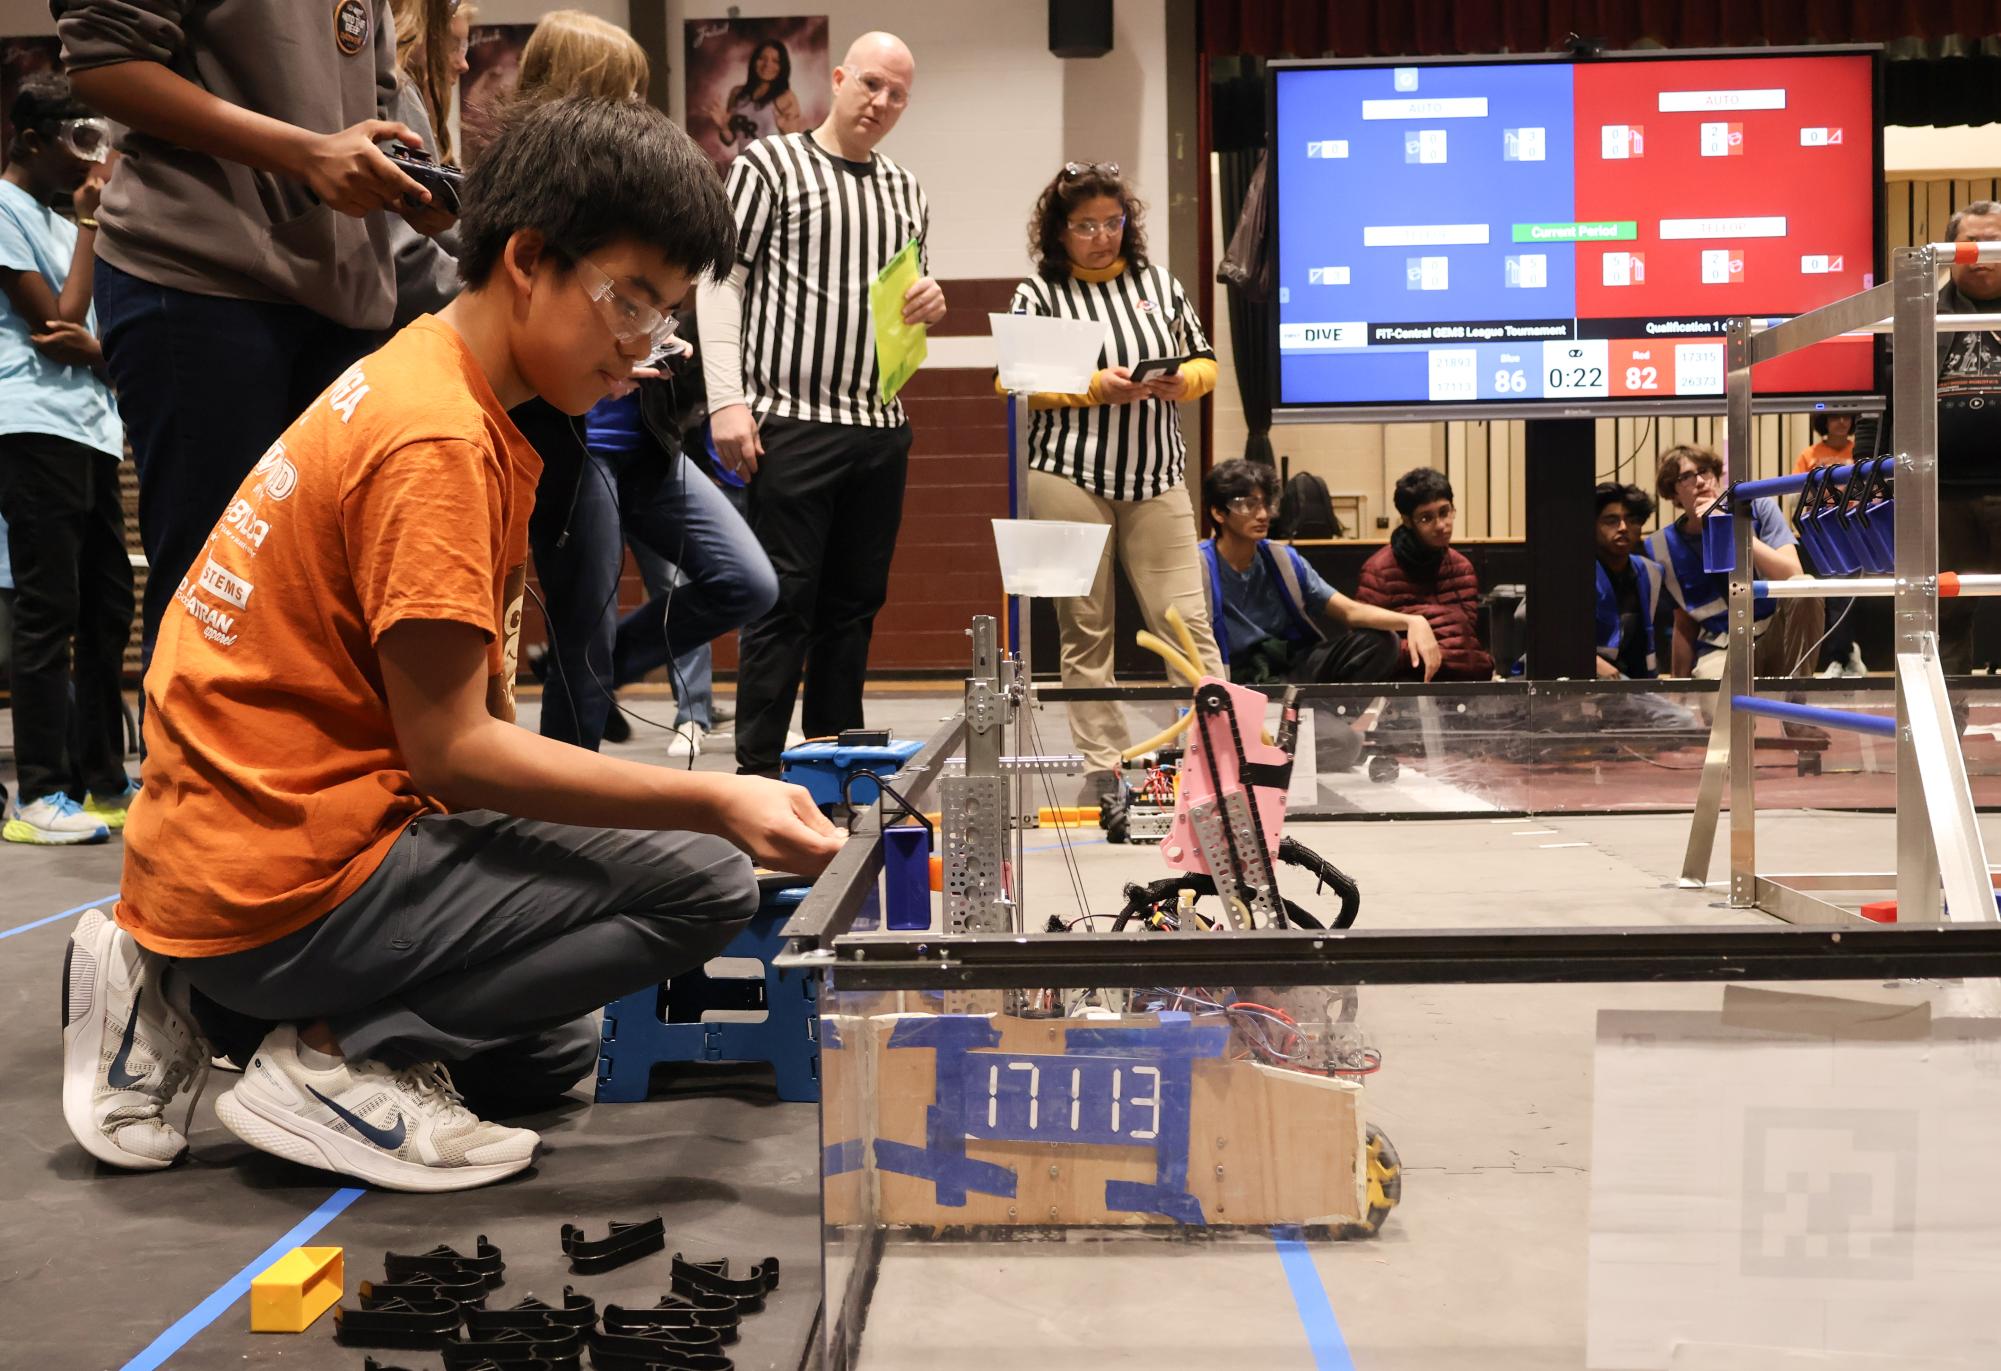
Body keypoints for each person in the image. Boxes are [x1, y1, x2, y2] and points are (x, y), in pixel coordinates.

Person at [58, 96, 843, 1190]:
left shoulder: (428, 377)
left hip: (225, 845)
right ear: (529, 260)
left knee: (549, 1050)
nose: (640, 353)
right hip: (276, 871)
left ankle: (182, 987)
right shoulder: (436, 437)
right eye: (631, 305)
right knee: (706, 884)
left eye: (662, 321)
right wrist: (716, 799)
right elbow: (453, 755)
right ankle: (326, 1062)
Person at [56, 0, 446, 680]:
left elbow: (372, 101)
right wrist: (307, 154)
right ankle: (196, 789)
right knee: (216, 598)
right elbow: (103, 65)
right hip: (199, 271)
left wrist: (410, 182)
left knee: (329, 605)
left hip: (338, 295)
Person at [504, 19, 776, 756]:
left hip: (649, 445)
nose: (633, 105)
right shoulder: (520, 190)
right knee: (582, 629)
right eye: (619, 89)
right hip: (573, 442)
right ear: (574, 88)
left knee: (746, 580)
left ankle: (583, 674)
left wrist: (656, 340)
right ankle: (566, 801)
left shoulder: (628, 187)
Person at [700, 32, 948, 778]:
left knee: (852, 612)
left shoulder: (909, 191)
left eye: (896, 94)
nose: (880, 102)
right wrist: (726, 402)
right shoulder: (769, 164)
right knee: (783, 607)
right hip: (789, 420)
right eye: (870, 84)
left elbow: (902, 299)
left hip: (877, 428)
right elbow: (719, 281)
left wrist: (928, 302)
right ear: (837, 79)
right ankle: (756, 777)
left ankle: (831, 776)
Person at [1004, 161, 1224, 796]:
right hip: (1065, 474)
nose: (1102, 236)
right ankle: (1102, 766)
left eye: (1113, 222)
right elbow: (1010, 384)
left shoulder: (1158, 283)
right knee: (1085, 627)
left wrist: (1186, 380)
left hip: (1156, 474)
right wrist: (1092, 387)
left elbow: (1207, 361)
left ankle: (1215, 753)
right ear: (1059, 231)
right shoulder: (1040, 293)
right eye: (1086, 226)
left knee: (1184, 619)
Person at [0, 74, 132, 844]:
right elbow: (60, 320)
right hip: (33, 423)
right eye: (77, 140)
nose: (89, 156)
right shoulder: (9, 210)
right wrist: (89, 222)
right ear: (32, 139)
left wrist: (98, 351)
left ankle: (102, 777)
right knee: (49, 608)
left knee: (106, 604)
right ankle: (40, 790)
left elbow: (95, 339)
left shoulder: (53, 219)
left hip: (89, 428)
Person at [1202, 459, 1436, 687]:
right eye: (1247, 505)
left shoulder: (1281, 559)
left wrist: (1411, 621)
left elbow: (1349, 611)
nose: (1263, 515)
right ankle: (1320, 720)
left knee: (1381, 642)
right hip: (1230, 678)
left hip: (1290, 670)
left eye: (1266, 504)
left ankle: (1329, 717)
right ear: (1218, 513)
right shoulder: (1199, 567)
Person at [1647, 443, 1824, 679]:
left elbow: (1793, 576)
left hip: (1775, 635)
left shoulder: (1759, 508)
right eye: (1686, 477)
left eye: (1705, 471)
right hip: (1721, 649)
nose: (1700, 481)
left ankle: (1797, 698)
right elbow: (1684, 623)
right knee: (1718, 697)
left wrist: (1733, 531)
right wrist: (1680, 692)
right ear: (1673, 492)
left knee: (1805, 584)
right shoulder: (1662, 546)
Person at [1927, 201, 2001, 673]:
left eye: (1993, 244)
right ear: (1952, 252)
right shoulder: (1918, 314)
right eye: (1972, 244)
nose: (1983, 255)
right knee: (1946, 616)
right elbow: (1887, 403)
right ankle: (1946, 731)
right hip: (1942, 492)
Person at [1357, 467, 1495, 679]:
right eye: (1426, 518)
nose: (1441, 525)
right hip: (1406, 688)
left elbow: (1467, 637)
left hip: (1462, 686)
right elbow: (1368, 649)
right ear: (1407, 520)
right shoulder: (1379, 571)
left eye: (1444, 512)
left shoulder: (1462, 568)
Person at [1792, 411, 1868, 677]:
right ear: (1823, 422)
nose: (1841, 422)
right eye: (1835, 416)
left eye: (1846, 416)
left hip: (1850, 533)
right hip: (1819, 534)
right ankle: (1845, 655)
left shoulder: (1859, 451)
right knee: (1829, 598)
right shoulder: (1808, 455)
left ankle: (1842, 656)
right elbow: (1798, 495)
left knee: (1843, 597)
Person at [1592, 483, 1664, 680]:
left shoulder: (1651, 572)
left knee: (1681, 711)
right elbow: (1537, 627)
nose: (1623, 528)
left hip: (1634, 681)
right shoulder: (1572, 572)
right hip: (1577, 678)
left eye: (1632, 520)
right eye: (1611, 520)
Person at [709, 40, 808, 152]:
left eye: (775, 61)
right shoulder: (737, 93)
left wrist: (786, 130)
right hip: (745, 165)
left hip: (774, 167)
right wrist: (723, 127)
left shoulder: (786, 97)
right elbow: (729, 140)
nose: (767, 65)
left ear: (782, 66)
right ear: (754, 61)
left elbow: (795, 144)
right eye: (762, 58)